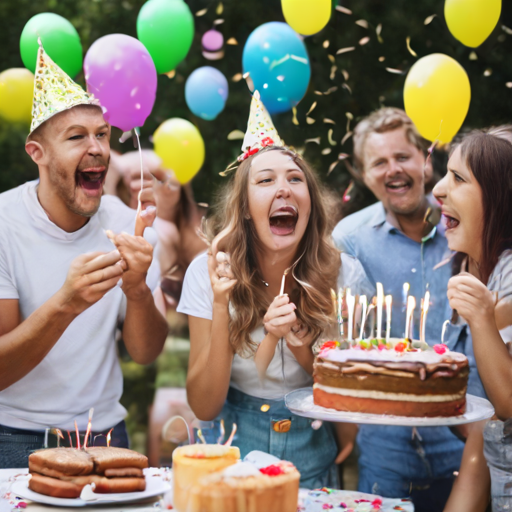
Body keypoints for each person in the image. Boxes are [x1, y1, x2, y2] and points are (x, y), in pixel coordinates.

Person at [177, 91, 370, 488]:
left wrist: (303, 349)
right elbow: (205, 405)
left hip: (314, 449)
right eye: (265, 180)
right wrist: (220, 302)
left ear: (310, 204)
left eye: (295, 179)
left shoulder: (345, 275)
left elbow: (351, 399)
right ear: (245, 207)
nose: (284, 189)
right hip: (228, 449)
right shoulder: (206, 271)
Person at [0, 44, 168, 468]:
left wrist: (137, 293)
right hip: (14, 439)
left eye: (103, 134)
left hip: (107, 436)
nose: (96, 148)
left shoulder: (130, 226)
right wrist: (65, 304)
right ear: (37, 153)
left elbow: (146, 353)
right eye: (76, 136)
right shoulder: (3, 223)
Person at [331, 108, 479, 512]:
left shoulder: (465, 224)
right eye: (379, 162)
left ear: (426, 161)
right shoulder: (349, 240)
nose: (393, 169)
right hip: (385, 447)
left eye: (403, 157)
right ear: (364, 175)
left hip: (465, 436)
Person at [433, 131, 512, 512]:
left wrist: (482, 318)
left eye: (458, 178)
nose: (438, 188)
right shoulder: (485, 273)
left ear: (499, 195)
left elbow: (510, 401)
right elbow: (484, 435)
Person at [116, 150, 207, 308]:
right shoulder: (112, 216)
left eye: (170, 183)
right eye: (136, 177)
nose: (142, 184)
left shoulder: (168, 232)